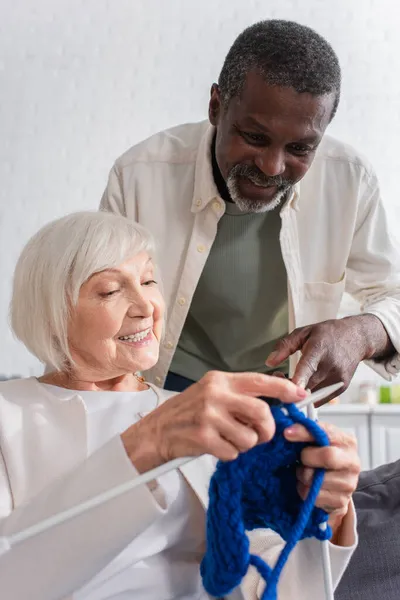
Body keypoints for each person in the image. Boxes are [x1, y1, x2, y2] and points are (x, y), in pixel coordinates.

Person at [0, 211, 360, 600]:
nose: (146, 306)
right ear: (52, 312)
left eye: (149, 280)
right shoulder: (10, 412)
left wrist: (328, 514)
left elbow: (263, 583)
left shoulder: (198, 414)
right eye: (109, 290)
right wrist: (144, 446)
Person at [100, 19, 400, 396]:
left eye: (300, 148)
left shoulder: (351, 180)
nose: (273, 167)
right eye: (255, 137)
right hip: (163, 389)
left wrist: (360, 333)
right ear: (215, 106)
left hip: (281, 395)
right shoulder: (138, 176)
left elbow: (394, 295)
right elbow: (96, 309)